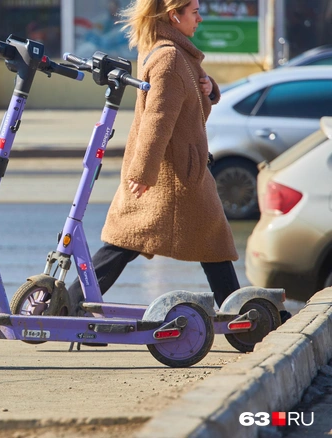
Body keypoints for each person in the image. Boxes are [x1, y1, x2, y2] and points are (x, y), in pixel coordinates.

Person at [67, 0, 290, 324]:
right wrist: (144, 171)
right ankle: (246, 322)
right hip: (174, 177)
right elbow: (158, 119)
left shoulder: (175, 53)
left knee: (141, 243)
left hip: (180, 170)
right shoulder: (170, 58)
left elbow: (188, 111)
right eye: (195, 12)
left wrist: (209, 89)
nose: (200, 18)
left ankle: (72, 305)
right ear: (175, 15)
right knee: (152, 243)